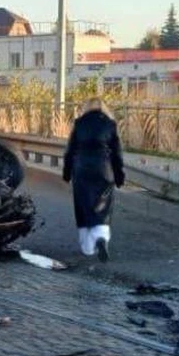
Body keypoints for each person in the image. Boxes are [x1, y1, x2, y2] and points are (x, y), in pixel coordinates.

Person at [63, 98, 125, 262]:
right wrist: (119, 176)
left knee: (83, 205)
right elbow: (117, 154)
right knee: (102, 206)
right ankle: (101, 237)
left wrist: (66, 173)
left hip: (82, 169)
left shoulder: (79, 124)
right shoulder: (110, 124)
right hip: (104, 169)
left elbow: (69, 151)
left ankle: (87, 247)